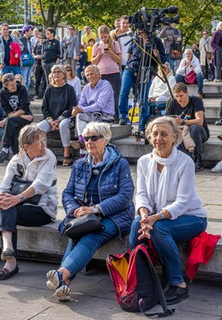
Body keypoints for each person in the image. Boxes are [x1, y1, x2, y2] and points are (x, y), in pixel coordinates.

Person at [46, 122, 134, 301]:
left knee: (91, 235)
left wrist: (96, 209)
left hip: (115, 216)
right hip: (84, 216)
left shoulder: (120, 164)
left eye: (94, 137)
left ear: (106, 139)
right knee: (76, 234)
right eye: (85, 138)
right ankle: (64, 282)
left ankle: (61, 276)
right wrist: (75, 209)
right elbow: (68, 193)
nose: (89, 141)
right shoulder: (79, 165)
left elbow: (125, 196)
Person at [130, 116, 207, 305]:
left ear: (175, 137)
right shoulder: (143, 162)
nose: (159, 138)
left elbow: (182, 202)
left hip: (190, 217)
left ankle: (178, 283)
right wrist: (144, 214)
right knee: (134, 226)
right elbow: (141, 194)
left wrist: (155, 218)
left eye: (164, 134)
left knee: (160, 228)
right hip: (157, 217)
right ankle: (142, 281)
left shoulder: (185, 162)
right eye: (154, 134)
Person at [0, 125, 57, 280]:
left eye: (44, 141)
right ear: (27, 146)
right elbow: (4, 186)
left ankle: (8, 252)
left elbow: (40, 185)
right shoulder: (16, 160)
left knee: (9, 204)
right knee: (5, 203)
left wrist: (17, 198)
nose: (44, 145)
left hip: (42, 210)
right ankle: (10, 258)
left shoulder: (49, 157)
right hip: (18, 208)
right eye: (40, 143)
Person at [117, 27, 167, 125]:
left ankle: (142, 124)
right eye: (139, 32)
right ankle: (122, 116)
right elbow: (129, 51)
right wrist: (128, 61)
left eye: (141, 32)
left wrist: (157, 56)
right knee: (124, 91)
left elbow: (163, 59)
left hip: (147, 70)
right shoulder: (136, 39)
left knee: (143, 98)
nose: (139, 33)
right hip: (131, 68)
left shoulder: (157, 41)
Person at [37, 65, 76, 166]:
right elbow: (44, 107)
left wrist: (59, 120)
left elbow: (72, 106)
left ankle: (66, 154)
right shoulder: (49, 89)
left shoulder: (69, 89)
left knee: (63, 125)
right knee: (39, 127)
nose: (56, 74)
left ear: (64, 74)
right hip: (51, 119)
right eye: (54, 72)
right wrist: (51, 121)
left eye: (59, 72)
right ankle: (43, 154)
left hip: (66, 118)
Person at [165, 83, 210, 172]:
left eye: (181, 96)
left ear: (187, 93)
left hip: (200, 133)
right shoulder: (172, 102)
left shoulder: (196, 101)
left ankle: (198, 159)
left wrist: (183, 121)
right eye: (176, 96)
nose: (179, 99)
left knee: (194, 128)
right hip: (181, 132)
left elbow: (199, 121)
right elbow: (166, 120)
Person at [0, 73, 33, 163]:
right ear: (6, 86)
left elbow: (24, 108)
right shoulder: (2, 93)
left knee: (10, 121)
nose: (14, 86)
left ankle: (5, 149)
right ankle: (17, 156)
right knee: (14, 128)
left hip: (27, 118)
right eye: (12, 85)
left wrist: (7, 119)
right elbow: (7, 112)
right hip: (21, 117)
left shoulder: (22, 89)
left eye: (15, 83)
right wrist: (20, 115)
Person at [72, 65, 115, 146]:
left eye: (91, 74)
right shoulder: (86, 88)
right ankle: (82, 141)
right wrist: (77, 109)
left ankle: (82, 141)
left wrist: (82, 109)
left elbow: (99, 105)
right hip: (92, 115)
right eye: (87, 75)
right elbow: (81, 104)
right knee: (79, 117)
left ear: (98, 74)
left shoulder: (105, 85)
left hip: (105, 116)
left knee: (81, 116)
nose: (89, 77)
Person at [91, 25, 122, 117]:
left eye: (105, 37)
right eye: (101, 37)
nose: (104, 39)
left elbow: (120, 60)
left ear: (109, 35)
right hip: (101, 74)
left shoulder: (115, 44)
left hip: (114, 73)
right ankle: (102, 115)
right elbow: (93, 62)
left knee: (115, 96)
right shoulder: (96, 45)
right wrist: (99, 55)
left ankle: (116, 116)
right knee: (101, 97)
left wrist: (111, 52)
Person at [138, 62, 176, 137]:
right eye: (161, 68)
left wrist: (156, 97)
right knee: (143, 103)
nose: (163, 70)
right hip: (154, 98)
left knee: (159, 99)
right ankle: (143, 126)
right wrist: (151, 97)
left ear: (168, 69)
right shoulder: (156, 78)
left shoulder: (171, 78)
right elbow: (151, 89)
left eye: (165, 68)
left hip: (164, 97)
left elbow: (169, 90)